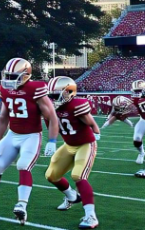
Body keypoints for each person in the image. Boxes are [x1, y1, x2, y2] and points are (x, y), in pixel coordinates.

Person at [0, 58, 59, 225]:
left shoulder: (35, 88)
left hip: (31, 136)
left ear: (25, 75)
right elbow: (3, 117)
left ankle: (21, 205)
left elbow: (51, 116)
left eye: (13, 76)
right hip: (13, 134)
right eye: (7, 75)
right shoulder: (5, 90)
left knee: (23, 165)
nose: (9, 80)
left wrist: (52, 140)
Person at [45, 77, 101, 229]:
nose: (53, 99)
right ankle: (72, 196)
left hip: (85, 144)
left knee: (78, 176)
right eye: (51, 95)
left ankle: (91, 216)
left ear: (69, 92)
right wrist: (52, 141)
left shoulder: (77, 105)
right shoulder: (50, 108)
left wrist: (96, 132)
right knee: (51, 175)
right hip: (68, 145)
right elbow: (52, 125)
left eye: (56, 95)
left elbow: (90, 122)